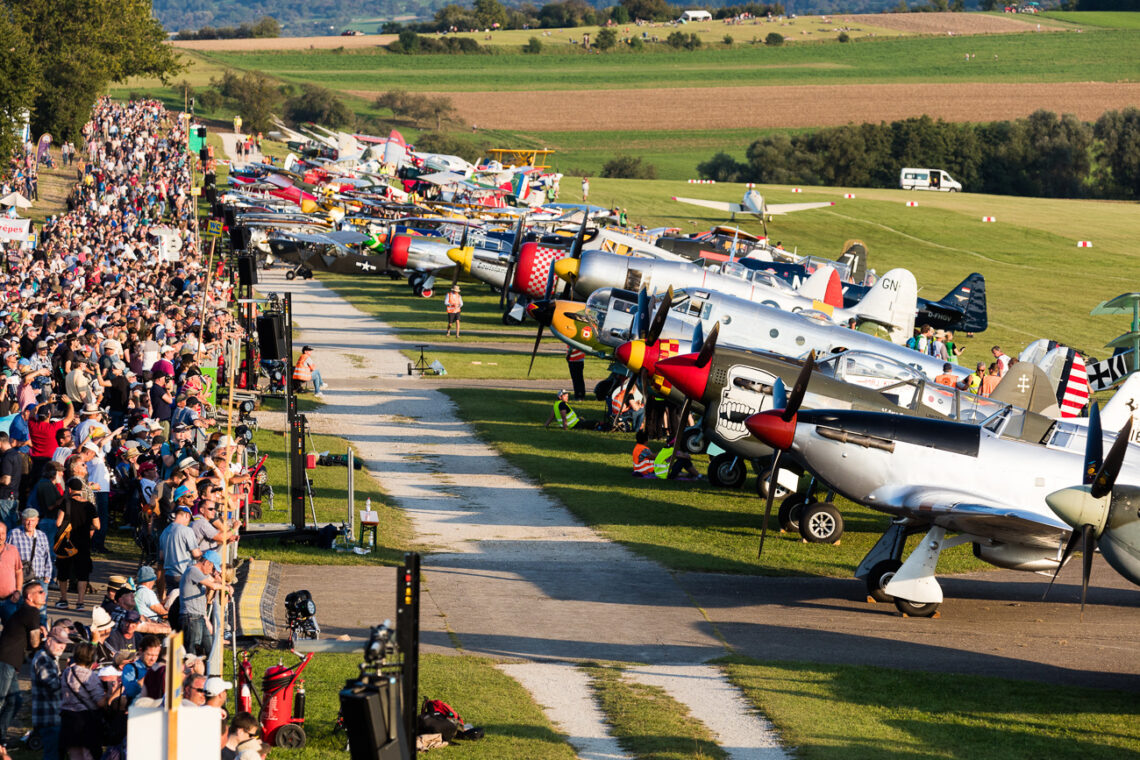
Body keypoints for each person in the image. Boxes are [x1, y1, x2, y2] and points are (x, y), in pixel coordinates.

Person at [0, 580, 47, 746]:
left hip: (12, 661)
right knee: (2, 699)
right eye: (40, 592)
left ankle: (1, 737)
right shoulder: (32, 612)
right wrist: (43, 634)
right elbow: (34, 643)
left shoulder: (27, 611)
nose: (44, 594)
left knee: (15, 701)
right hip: (5, 659)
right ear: (29, 596)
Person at [60, 642, 115, 760]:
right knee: (89, 754)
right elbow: (100, 702)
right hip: (86, 720)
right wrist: (111, 693)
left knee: (74, 753)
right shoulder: (90, 676)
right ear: (92, 658)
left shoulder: (66, 672)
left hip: (68, 718)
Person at [55, 477, 98, 611]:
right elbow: (97, 525)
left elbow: (58, 522)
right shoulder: (89, 505)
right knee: (82, 573)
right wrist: (88, 528)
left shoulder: (66, 503)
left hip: (67, 544)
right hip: (83, 543)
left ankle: (63, 599)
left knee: (63, 571)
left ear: (69, 489)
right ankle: (80, 602)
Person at [31, 623, 70, 760]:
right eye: (59, 642)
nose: (62, 646)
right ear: (49, 641)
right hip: (48, 717)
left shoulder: (50, 658)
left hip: (53, 716)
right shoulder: (43, 658)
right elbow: (53, 685)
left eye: (64, 643)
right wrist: (69, 675)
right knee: (52, 756)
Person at [180, 554, 231, 656]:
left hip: (198, 617)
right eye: (212, 569)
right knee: (192, 653)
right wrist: (225, 588)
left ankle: (209, 670)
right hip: (191, 617)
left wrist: (226, 585)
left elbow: (215, 581)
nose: (212, 572)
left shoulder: (199, 573)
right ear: (207, 563)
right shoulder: (193, 571)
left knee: (211, 649)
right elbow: (212, 585)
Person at [0, 524, 22, 622]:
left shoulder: (13, 550)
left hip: (10, 600)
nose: (0, 536)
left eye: (3, 533)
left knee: (11, 632)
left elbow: (18, 572)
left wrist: (18, 591)